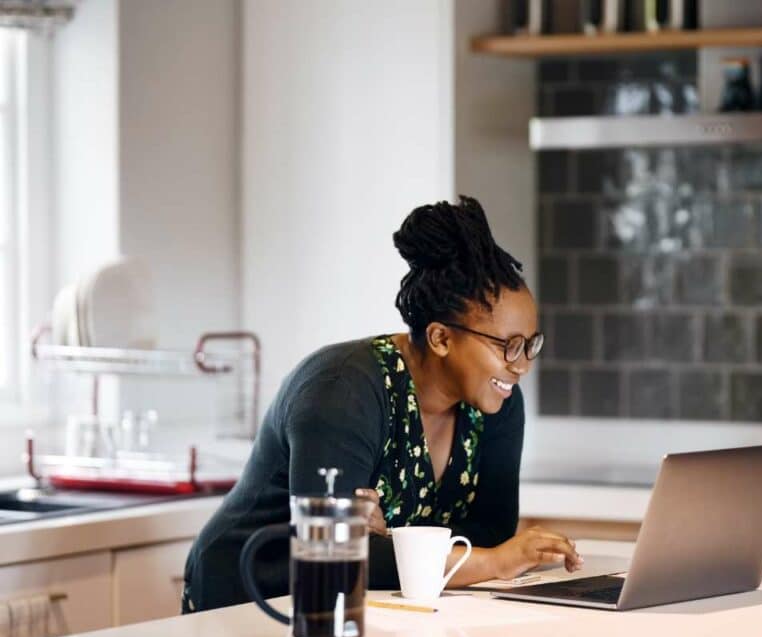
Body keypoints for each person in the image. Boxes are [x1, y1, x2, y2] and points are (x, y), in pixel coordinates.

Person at [182, 196, 583, 612]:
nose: (521, 366)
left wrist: (386, 540)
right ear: (441, 338)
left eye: (530, 344)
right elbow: (334, 556)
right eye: (509, 346)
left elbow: (490, 529)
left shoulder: (495, 400)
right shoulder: (342, 393)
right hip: (250, 599)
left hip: (365, 611)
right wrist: (493, 562)